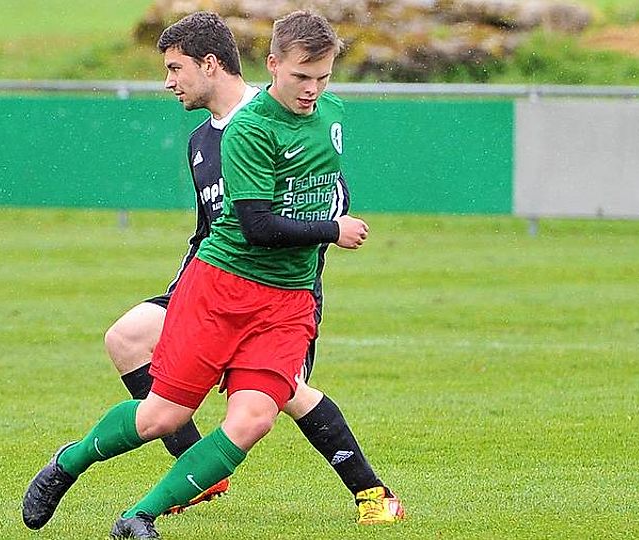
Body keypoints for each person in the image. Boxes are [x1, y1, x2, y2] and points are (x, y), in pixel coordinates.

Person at [22, 11, 403, 539]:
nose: (312, 89)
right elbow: (231, 227)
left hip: (287, 295)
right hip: (219, 285)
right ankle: (84, 463)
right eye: (302, 77)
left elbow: (322, 191)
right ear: (274, 65)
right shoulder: (214, 138)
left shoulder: (322, 114)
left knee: (268, 407)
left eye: (174, 68)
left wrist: (317, 253)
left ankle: (365, 492)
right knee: (151, 390)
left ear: (210, 63)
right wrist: (186, 295)